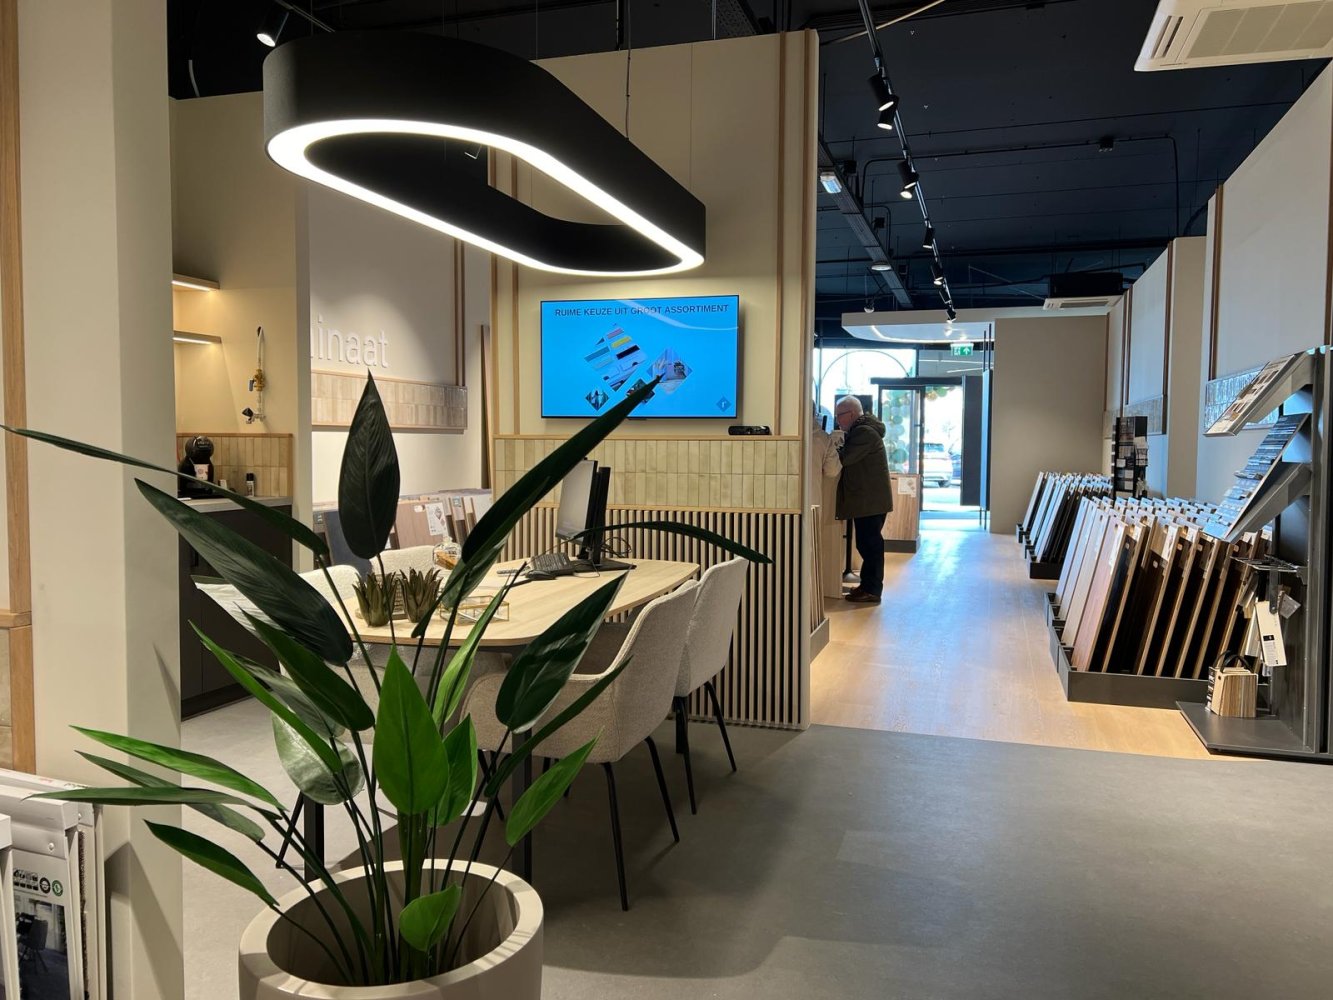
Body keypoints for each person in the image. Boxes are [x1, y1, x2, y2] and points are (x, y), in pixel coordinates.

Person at [834, 395, 892, 604]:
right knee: (867, 544)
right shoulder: (863, 430)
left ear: (851, 414)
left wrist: (832, 449)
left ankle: (872, 590)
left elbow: (845, 458)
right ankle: (867, 586)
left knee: (870, 545)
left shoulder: (863, 432)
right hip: (869, 500)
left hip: (870, 500)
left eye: (839, 415)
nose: (837, 420)